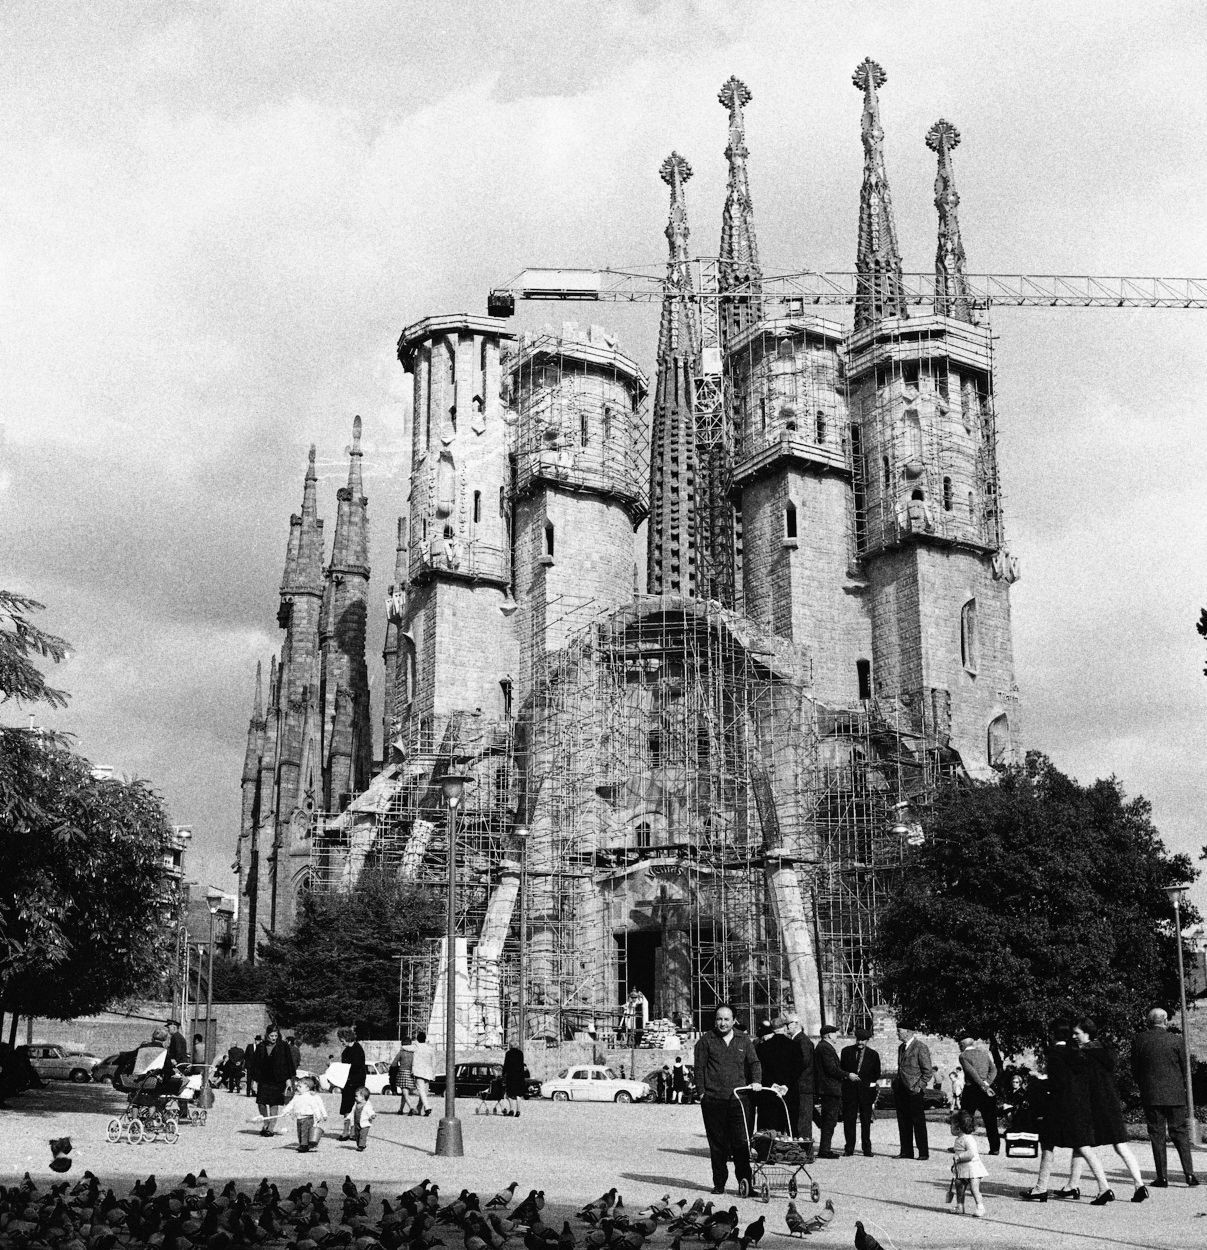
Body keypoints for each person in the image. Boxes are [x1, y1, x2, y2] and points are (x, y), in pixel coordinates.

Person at [1023, 1019, 1111, 1202]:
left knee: (1048, 1143)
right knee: (1081, 1145)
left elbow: (1057, 1083)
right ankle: (1077, 1184)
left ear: (1052, 1034)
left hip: (1061, 1106)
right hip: (1081, 1104)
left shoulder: (1055, 1054)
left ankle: (1042, 1187)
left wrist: (1038, 1081)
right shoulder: (1076, 1053)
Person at [1074, 1018, 1147, 1202]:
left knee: (1083, 1144)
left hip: (1093, 1105)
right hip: (1110, 1103)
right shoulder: (1105, 1051)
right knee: (1120, 1145)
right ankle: (1139, 1184)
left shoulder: (1082, 1055)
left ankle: (1103, 1188)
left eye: (1077, 1033)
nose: (1074, 1036)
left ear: (1087, 1033)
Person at [693, 1004, 762, 1195]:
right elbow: (699, 1070)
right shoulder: (706, 1041)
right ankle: (719, 1184)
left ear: (734, 1021)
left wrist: (756, 1081)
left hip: (739, 1100)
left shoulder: (744, 1040)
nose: (722, 1023)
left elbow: (754, 1063)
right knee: (718, 1144)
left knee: (741, 1143)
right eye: (719, 1019)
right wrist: (702, 1093)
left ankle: (745, 1184)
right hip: (714, 1100)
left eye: (726, 1019)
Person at [1131, 1007, 1198, 1188]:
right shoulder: (1176, 1041)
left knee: (1157, 1135)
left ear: (1149, 1021)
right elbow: (1186, 1069)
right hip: (1175, 1095)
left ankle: (1162, 1177)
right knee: (1180, 1134)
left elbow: (1135, 1070)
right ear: (1165, 1020)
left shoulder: (1140, 1040)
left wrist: (1144, 1085)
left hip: (1152, 1095)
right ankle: (1189, 1174)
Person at [249, 1073, 327, 1152]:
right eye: (297, 1086)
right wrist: (285, 1111)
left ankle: (304, 1146)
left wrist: (319, 1116)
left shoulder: (310, 1097)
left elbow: (315, 1107)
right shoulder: (297, 1096)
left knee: (304, 1132)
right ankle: (303, 1144)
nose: (297, 1087)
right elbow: (291, 1104)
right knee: (300, 1132)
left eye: (300, 1086)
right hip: (299, 1118)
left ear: (307, 1088)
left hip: (308, 1118)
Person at [755, 1015, 802, 1134]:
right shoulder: (795, 1046)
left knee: (771, 1126)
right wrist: (786, 1085)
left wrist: (773, 1085)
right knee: (791, 1124)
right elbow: (798, 1068)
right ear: (785, 1028)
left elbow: (760, 1069)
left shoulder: (762, 1047)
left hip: (769, 1091)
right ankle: (791, 1151)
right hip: (789, 1091)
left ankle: (769, 1150)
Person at [840, 1026, 881, 1157]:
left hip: (866, 1093)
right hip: (849, 1092)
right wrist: (848, 1076)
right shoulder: (846, 1052)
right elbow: (842, 1070)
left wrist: (868, 1086)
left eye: (863, 1040)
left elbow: (876, 1073)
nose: (860, 1043)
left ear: (867, 1041)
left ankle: (867, 1148)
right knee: (849, 1120)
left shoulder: (873, 1055)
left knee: (866, 1121)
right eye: (858, 1040)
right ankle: (849, 1148)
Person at [893, 1025, 932, 1160]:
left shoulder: (920, 1047)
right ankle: (906, 1152)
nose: (897, 1034)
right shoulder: (901, 1048)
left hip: (914, 1090)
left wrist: (919, 1086)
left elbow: (927, 1071)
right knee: (903, 1122)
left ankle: (923, 1153)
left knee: (918, 1122)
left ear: (908, 1032)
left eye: (899, 1031)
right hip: (901, 1090)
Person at [958, 1036, 1000, 1155]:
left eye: (959, 1044)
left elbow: (971, 1072)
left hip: (971, 1089)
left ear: (962, 1044)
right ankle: (995, 1147)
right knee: (991, 1119)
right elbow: (994, 1070)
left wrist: (982, 1085)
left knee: (966, 1118)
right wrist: (987, 1083)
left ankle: (963, 1145)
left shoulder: (963, 1056)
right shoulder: (984, 1053)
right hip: (987, 1089)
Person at [254, 1024, 297, 1136]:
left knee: (274, 1103)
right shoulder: (261, 1046)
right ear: (267, 1035)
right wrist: (255, 1081)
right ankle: (266, 1121)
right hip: (264, 1079)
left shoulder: (283, 1046)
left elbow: (288, 1063)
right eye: (271, 1035)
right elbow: (256, 1064)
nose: (273, 1038)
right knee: (261, 1103)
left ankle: (271, 1128)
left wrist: (288, 1080)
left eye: (276, 1035)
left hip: (278, 1079)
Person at [949, 1108, 988, 1217]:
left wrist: (959, 1157)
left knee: (974, 1188)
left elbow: (971, 1153)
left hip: (973, 1169)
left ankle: (980, 1207)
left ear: (959, 1128)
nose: (950, 1128)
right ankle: (960, 1205)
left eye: (951, 1125)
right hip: (962, 1168)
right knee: (959, 1186)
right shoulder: (959, 1138)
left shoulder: (968, 1139)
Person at [813, 1025, 843, 1158]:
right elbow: (831, 1069)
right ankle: (825, 1150)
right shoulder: (825, 1048)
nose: (837, 1035)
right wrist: (847, 1075)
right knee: (829, 1119)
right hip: (829, 1088)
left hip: (829, 1088)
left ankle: (825, 1148)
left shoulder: (824, 1047)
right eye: (835, 1033)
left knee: (829, 1119)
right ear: (829, 1035)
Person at [337, 1026, 368, 1138]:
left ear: (347, 1038)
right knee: (346, 1107)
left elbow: (356, 1066)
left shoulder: (357, 1049)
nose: (341, 1043)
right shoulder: (347, 1051)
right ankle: (346, 1131)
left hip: (356, 1082)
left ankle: (353, 1131)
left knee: (354, 1107)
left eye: (342, 1040)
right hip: (347, 1082)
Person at [791, 1016, 815, 1145]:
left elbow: (804, 1062)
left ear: (796, 1024)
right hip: (801, 1085)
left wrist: (790, 1073)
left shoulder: (802, 1041)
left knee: (804, 1119)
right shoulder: (798, 1039)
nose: (787, 1026)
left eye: (789, 1024)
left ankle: (805, 1150)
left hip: (803, 1085)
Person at [411, 1029, 434, 1116]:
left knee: (421, 1091)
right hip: (428, 1072)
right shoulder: (430, 1048)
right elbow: (433, 1061)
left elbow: (404, 1047)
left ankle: (427, 1107)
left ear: (417, 1039)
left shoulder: (416, 1047)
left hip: (418, 1071)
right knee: (424, 1092)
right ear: (425, 1039)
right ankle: (419, 1109)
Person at [392, 1035, 417, 1115]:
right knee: (404, 1092)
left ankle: (411, 1107)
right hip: (411, 1073)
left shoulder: (401, 1052)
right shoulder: (413, 1053)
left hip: (402, 1072)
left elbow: (394, 1063)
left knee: (405, 1092)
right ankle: (400, 1109)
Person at [502, 1042, 526, 1117]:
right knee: (518, 1094)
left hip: (511, 1076)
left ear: (510, 1046)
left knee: (510, 1094)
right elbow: (521, 1064)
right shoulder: (520, 1053)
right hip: (519, 1076)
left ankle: (511, 1110)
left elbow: (506, 1065)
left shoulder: (508, 1053)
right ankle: (518, 1111)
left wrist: (503, 1074)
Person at [350, 1085, 375, 1150]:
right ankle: (360, 1144)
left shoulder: (367, 1105)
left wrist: (372, 1115)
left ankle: (361, 1146)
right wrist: (349, 1117)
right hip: (357, 1122)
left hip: (365, 1123)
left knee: (362, 1135)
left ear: (363, 1097)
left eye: (357, 1096)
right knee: (357, 1135)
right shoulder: (356, 1104)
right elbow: (352, 1111)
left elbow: (370, 1111)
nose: (355, 1097)